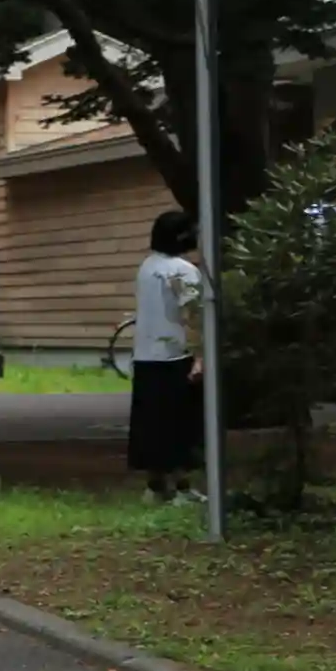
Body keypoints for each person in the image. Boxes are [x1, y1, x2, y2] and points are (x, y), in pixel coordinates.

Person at [127, 208, 206, 503]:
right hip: (175, 355)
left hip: (146, 355)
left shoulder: (147, 267)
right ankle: (181, 488)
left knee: (152, 425)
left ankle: (156, 487)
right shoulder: (184, 270)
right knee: (181, 425)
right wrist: (200, 356)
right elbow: (192, 315)